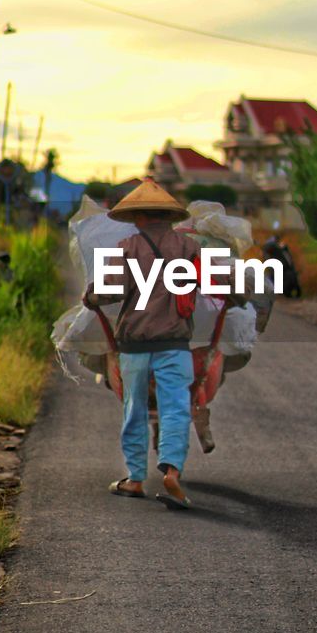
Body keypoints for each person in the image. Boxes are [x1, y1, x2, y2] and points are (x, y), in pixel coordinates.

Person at [83, 178, 200, 509]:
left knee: (134, 409)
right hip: (176, 344)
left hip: (135, 346)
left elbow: (109, 291)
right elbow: (203, 289)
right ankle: (172, 471)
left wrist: (89, 296)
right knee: (176, 408)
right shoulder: (189, 248)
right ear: (168, 216)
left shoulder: (128, 247)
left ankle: (134, 479)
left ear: (138, 217)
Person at [262, 225, 302, 298]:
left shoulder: (281, 247)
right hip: (279, 268)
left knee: (289, 277)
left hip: (285, 269)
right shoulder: (271, 245)